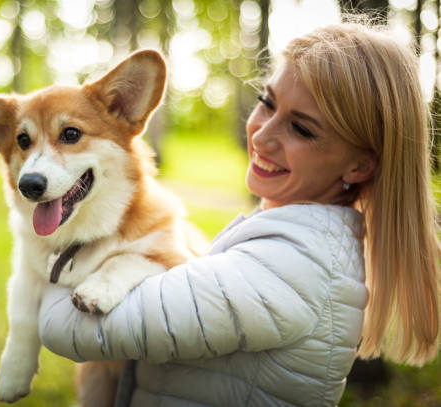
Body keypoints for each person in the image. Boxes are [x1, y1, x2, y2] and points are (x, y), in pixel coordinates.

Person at [38, 21, 441, 406]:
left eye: (302, 130)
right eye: (267, 102)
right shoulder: (290, 243)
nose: (262, 135)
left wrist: (42, 250)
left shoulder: (290, 269)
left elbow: (72, 332)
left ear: (359, 167)